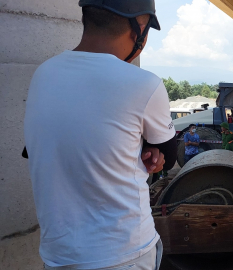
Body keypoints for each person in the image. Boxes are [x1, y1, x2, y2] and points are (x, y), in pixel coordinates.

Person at [24, 1, 175, 268]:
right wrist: (154, 154)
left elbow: (50, 147)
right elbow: (169, 155)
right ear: (140, 26)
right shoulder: (144, 84)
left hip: (58, 255)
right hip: (123, 253)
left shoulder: (43, 75)